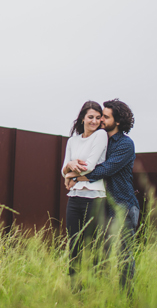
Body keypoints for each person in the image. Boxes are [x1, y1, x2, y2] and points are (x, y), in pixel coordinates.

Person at [65, 98, 139, 289]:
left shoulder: (125, 144)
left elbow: (104, 170)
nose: (100, 121)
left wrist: (72, 177)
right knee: (101, 253)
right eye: (99, 116)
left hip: (123, 205)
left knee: (123, 255)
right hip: (104, 204)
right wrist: (68, 169)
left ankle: (127, 298)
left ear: (118, 121)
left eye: (105, 117)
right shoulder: (100, 138)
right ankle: (98, 293)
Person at [60, 100, 108, 280]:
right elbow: (63, 167)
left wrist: (68, 174)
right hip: (74, 198)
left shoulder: (101, 135)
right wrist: (69, 167)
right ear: (82, 119)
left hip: (95, 198)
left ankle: (94, 289)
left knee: (93, 246)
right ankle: (75, 289)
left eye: (97, 117)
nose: (94, 121)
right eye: (90, 117)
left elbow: (89, 166)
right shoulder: (73, 140)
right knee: (74, 245)